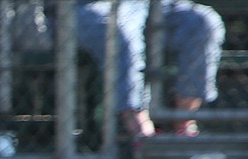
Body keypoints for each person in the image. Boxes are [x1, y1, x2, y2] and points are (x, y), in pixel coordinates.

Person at [74, 0, 225, 137]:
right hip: (84, 6)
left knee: (202, 22)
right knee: (119, 34)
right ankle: (141, 134)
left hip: (149, 4)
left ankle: (184, 125)